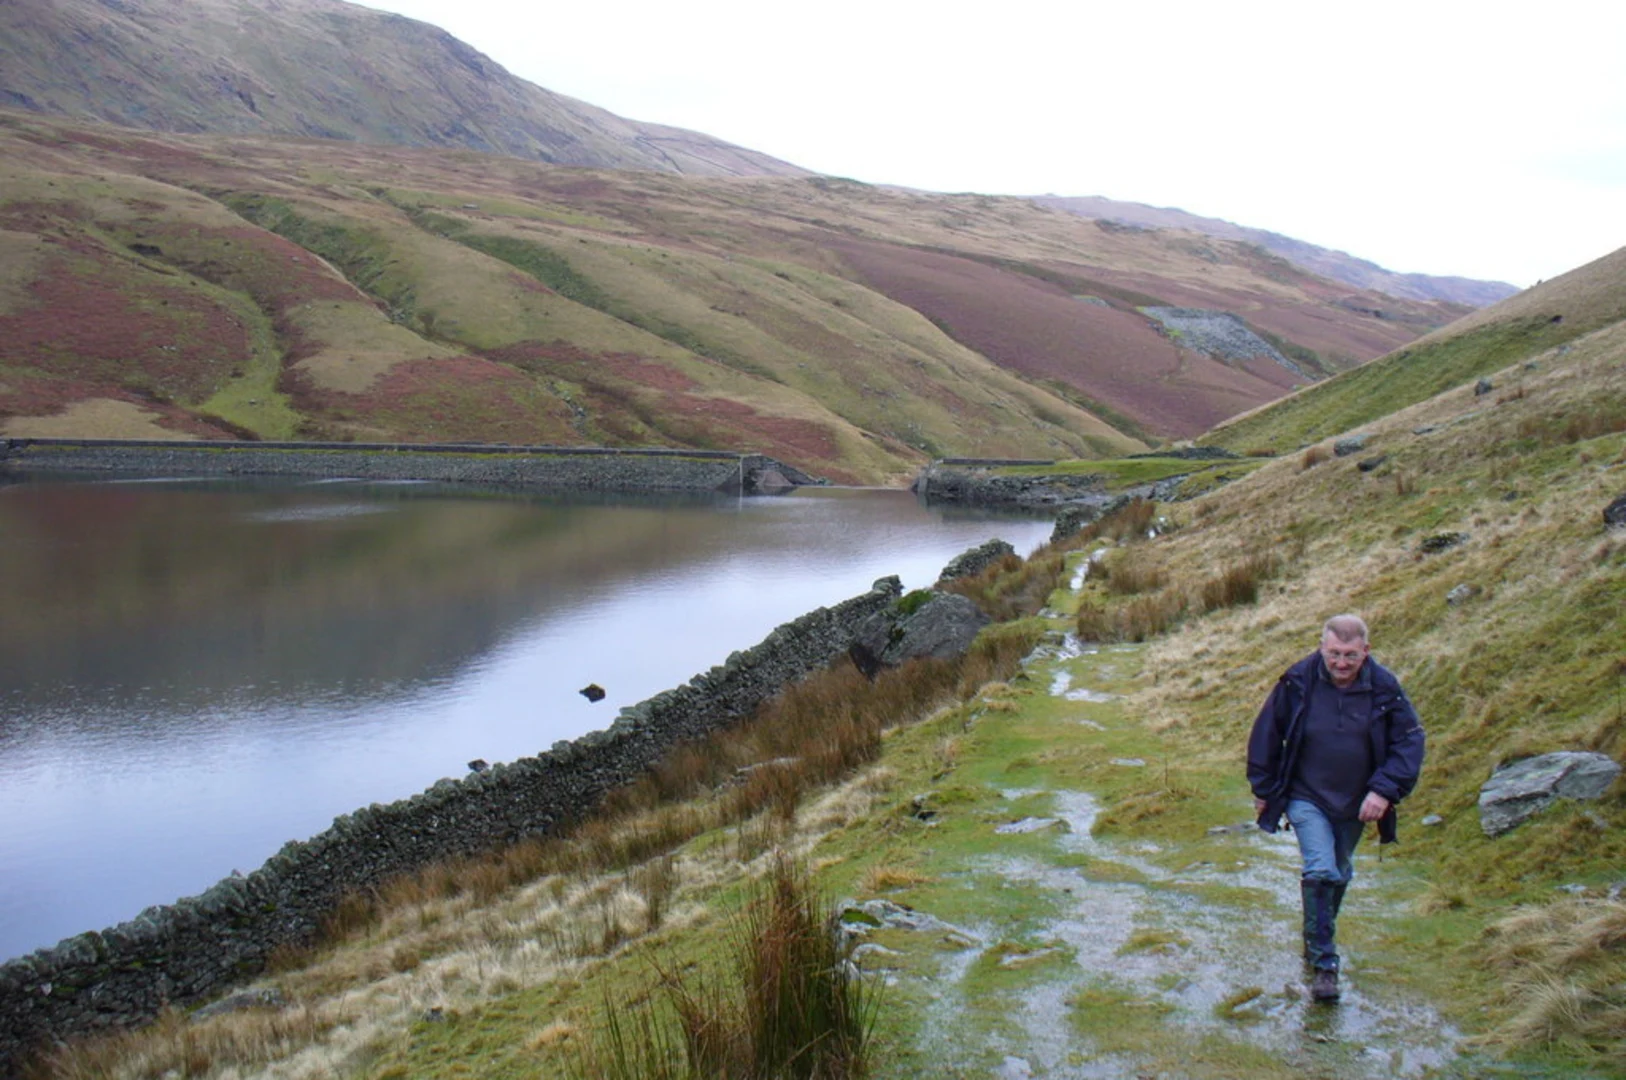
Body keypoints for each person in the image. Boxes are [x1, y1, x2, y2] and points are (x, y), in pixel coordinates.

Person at [1246, 614, 1425, 1002]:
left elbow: (1409, 742)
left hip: (1358, 802)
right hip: (1305, 795)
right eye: (1333, 654)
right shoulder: (1297, 681)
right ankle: (1325, 966)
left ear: (1366, 651)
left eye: (1350, 655)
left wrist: (1383, 791)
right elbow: (1266, 733)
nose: (1341, 663)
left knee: (1340, 870)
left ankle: (1316, 935)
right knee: (1321, 868)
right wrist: (1263, 788)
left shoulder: (1384, 689)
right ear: (1321, 647)